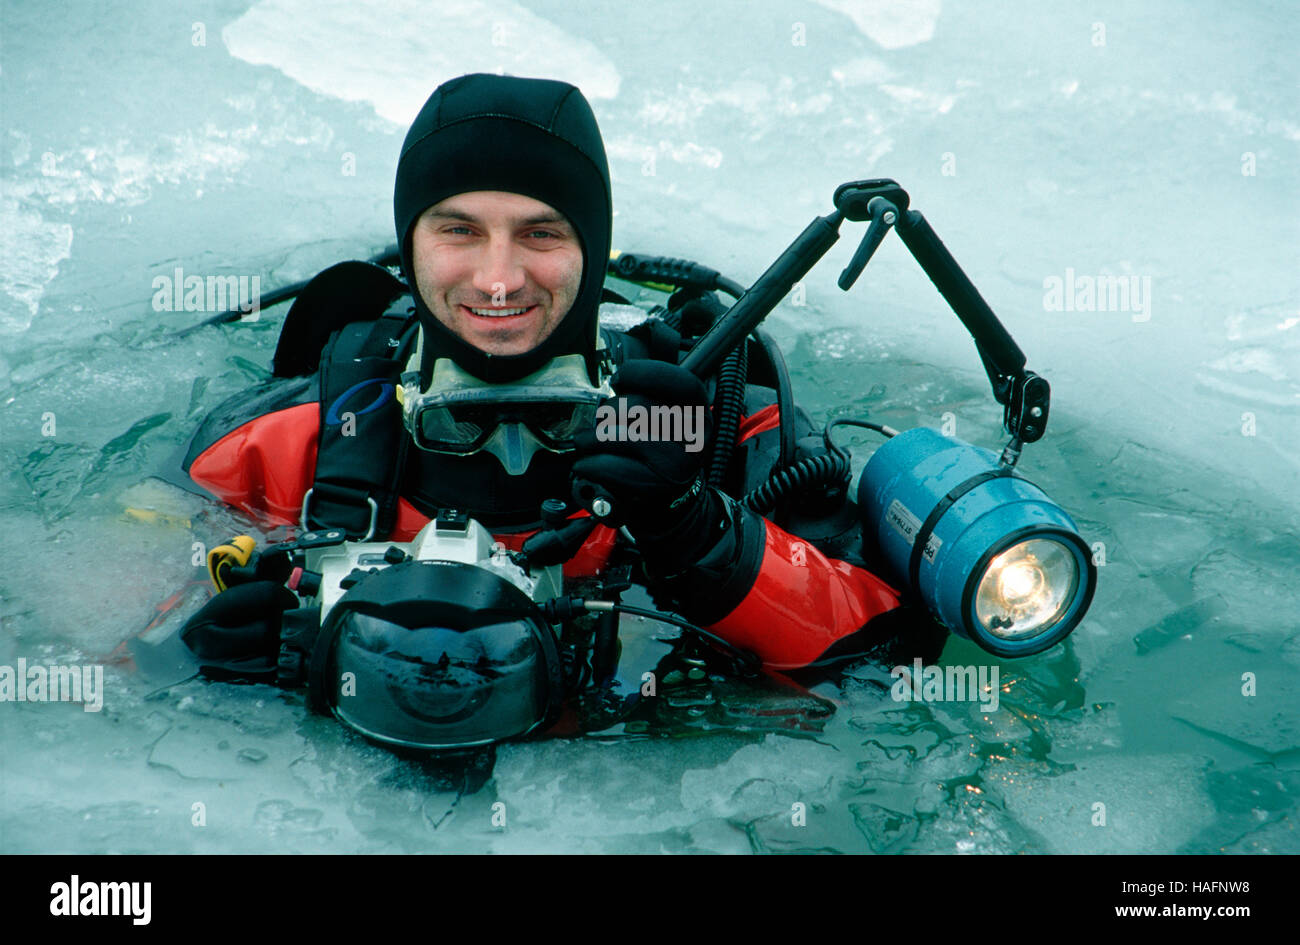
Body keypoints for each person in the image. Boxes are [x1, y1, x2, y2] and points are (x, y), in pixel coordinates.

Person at [173, 73, 914, 747]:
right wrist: (210, 651)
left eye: (541, 233)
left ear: (591, 249)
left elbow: (882, 663)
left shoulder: (716, 428)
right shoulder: (278, 443)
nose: (498, 280)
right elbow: (107, 627)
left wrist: (695, 528)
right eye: (458, 230)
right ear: (411, 244)